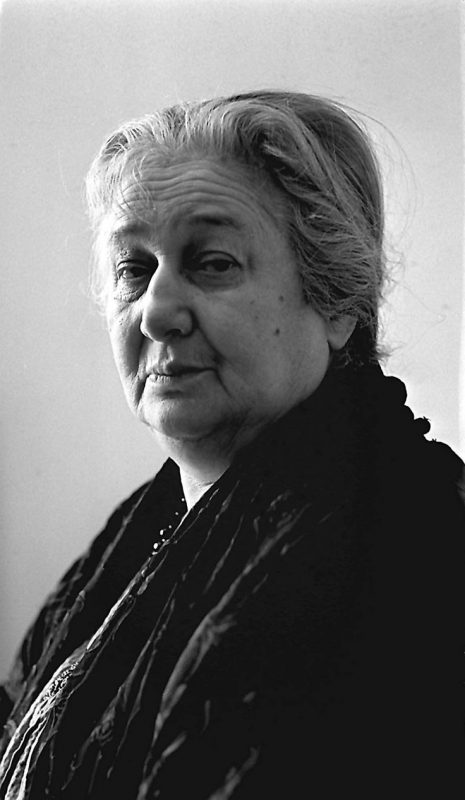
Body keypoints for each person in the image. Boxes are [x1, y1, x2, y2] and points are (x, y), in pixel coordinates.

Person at [0, 90, 463, 799]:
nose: (156, 310)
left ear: (336, 301)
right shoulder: (145, 521)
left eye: (212, 262)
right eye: (133, 269)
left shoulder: (400, 535)